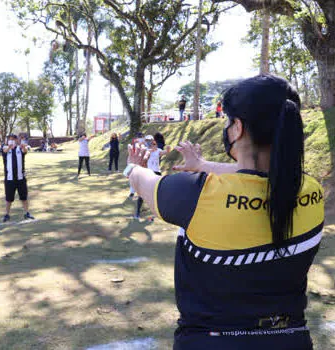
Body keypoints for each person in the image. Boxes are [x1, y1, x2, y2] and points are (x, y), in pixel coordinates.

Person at [124, 75, 323, 349]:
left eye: (228, 122)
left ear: (238, 128)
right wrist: (204, 164)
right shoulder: (310, 191)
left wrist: (132, 167)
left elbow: (143, 181)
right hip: (292, 339)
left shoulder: (196, 194)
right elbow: (264, 176)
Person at [133, 134, 170, 219]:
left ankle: (159, 211)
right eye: (151, 144)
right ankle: (138, 212)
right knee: (141, 193)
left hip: (157, 173)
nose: (153, 146)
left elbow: (165, 152)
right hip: (148, 173)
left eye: (154, 144)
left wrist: (168, 149)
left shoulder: (158, 151)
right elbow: (145, 156)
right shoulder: (147, 150)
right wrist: (146, 156)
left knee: (158, 192)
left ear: (156, 144)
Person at [2, 134, 34, 222]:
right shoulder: (5, 148)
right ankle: (7, 214)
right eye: (10, 139)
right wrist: (9, 147)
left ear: (17, 140)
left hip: (21, 178)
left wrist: (23, 146)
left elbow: (25, 151)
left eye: (13, 139)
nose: (11, 141)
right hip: (9, 179)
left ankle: (27, 213)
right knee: (9, 199)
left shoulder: (20, 148)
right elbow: (4, 151)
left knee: (24, 197)